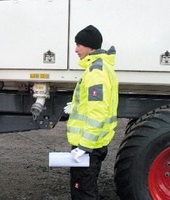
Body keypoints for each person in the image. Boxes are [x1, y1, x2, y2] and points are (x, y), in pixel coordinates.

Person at [65, 25, 118, 200]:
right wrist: (74, 108)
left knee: (83, 193)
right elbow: (93, 105)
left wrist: (84, 147)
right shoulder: (99, 68)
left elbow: (98, 113)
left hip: (88, 146)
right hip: (93, 144)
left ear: (90, 46)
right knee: (86, 189)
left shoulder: (96, 72)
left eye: (79, 44)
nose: (76, 49)